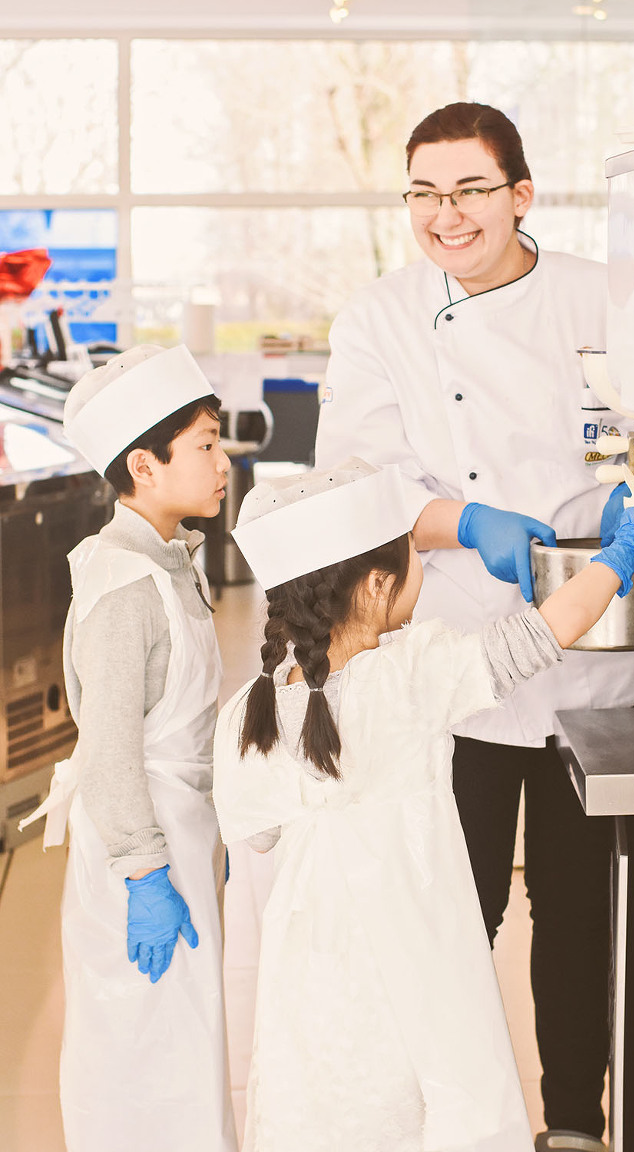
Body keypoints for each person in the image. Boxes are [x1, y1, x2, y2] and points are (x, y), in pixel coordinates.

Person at [314, 101, 634, 1152]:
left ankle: (575, 1126)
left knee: (577, 914)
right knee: (454, 913)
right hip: (452, 654)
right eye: (424, 193)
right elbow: (357, 485)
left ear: (521, 195)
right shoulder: (379, 316)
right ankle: (441, 1119)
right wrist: (464, 522)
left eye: (470, 189)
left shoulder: (605, 299)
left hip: (594, 657)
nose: (446, 215)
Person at [212, 457, 634, 1152]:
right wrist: (619, 558)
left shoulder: (250, 711)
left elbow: (256, 837)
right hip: (417, 946)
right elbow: (545, 632)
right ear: (378, 586)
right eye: (415, 551)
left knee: (326, 1103)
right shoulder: (409, 675)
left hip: (312, 966)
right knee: (434, 1102)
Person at [20, 344, 237, 1152]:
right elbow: (109, 750)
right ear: (144, 466)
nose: (224, 462)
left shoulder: (167, 560)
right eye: (206, 445)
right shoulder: (125, 588)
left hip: (179, 837)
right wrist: (145, 873)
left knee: (184, 1048)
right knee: (139, 1051)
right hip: (138, 854)